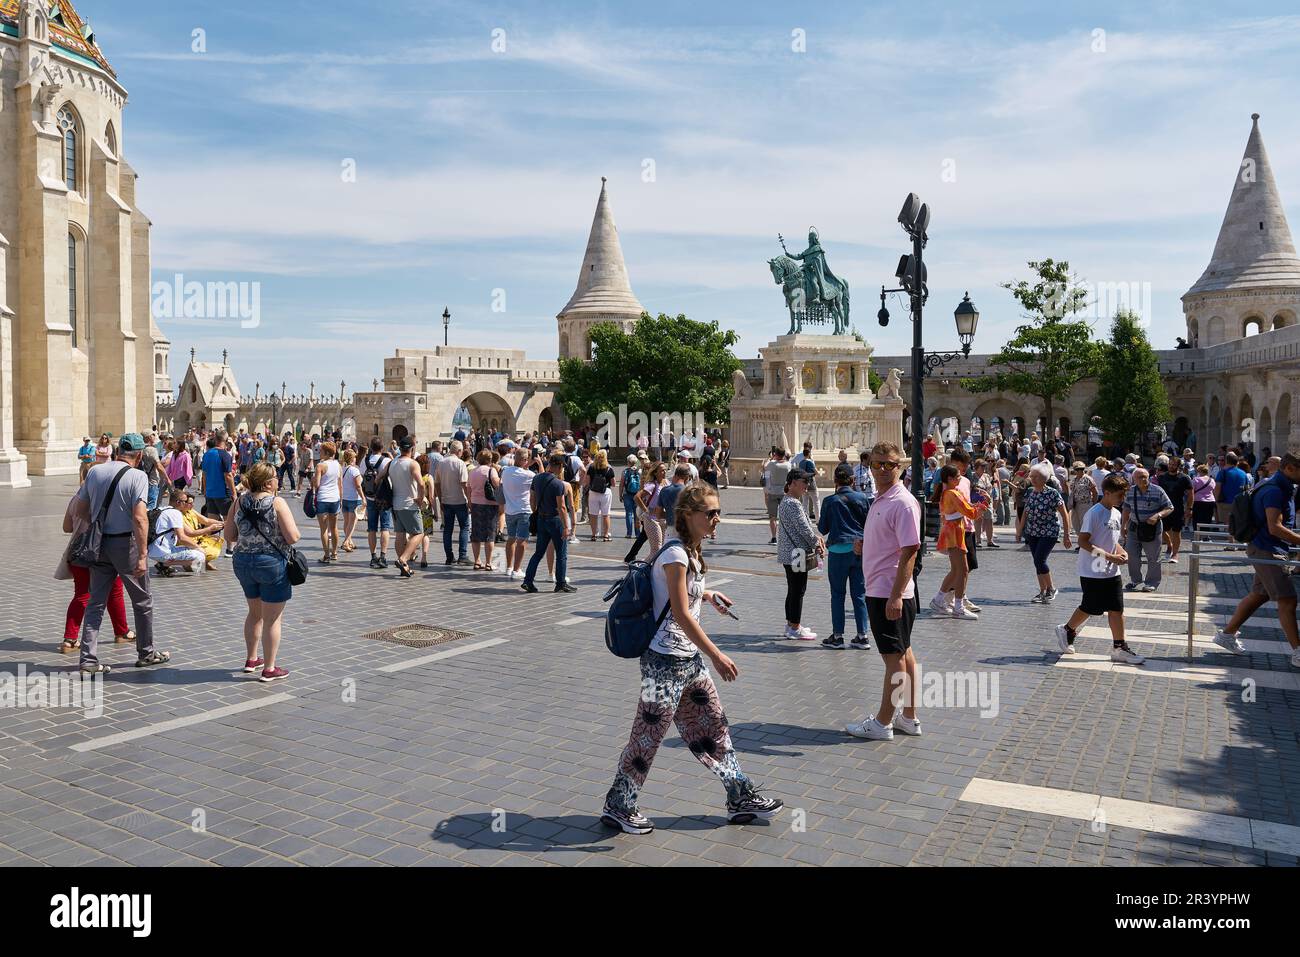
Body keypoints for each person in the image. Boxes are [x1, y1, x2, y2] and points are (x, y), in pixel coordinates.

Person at [600, 484, 783, 834]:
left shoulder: (687, 551)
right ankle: (619, 805)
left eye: (718, 512)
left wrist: (709, 593)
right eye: (710, 513)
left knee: (715, 727)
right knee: (647, 736)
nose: (717, 519)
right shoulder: (676, 554)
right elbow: (681, 615)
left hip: (686, 660)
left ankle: (739, 795)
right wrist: (717, 654)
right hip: (663, 661)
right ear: (688, 515)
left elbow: (680, 597)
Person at [69, 434, 172, 675]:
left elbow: (80, 510)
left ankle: (88, 661)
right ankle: (146, 653)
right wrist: (144, 554)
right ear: (138, 456)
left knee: (95, 603)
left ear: (117, 451)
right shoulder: (138, 476)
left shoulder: (94, 472)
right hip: (125, 544)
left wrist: (98, 525)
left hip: (99, 544)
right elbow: (139, 517)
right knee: (142, 600)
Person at [845, 442, 924, 741]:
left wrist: (894, 595)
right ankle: (909, 718)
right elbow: (893, 544)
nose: (881, 470)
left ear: (899, 466)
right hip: (885, 588)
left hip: (888, 592)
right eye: (876, 464)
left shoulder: (902, 502)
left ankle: (882, 723)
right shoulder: (882, 499)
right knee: (905, 654)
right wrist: (866, 547)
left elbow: (910, 552)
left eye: (888, 465)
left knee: (893, 659)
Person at [1213, 453, 1300, 662]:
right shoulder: (1275, 490)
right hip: (1268, 549)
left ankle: (1226, 635)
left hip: (1263, 547)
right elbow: (1275, 527)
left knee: (1259, 595)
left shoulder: (1274, 485)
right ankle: (1298, 652)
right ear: (1289, 468)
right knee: (1288, 600)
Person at [1054, 473, 1145, 664]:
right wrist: (1110, 556)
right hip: (1092, 570)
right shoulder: (1094, 513)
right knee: (1090, 607)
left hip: (1112, 571)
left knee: (1117, 609)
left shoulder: (1117, 513)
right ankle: (1068, 629)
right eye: (1119, 495)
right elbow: (1084, 542)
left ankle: (1119, 647)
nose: (1122, 499)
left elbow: (1113, 541)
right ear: (1107, 493)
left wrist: (1122, 552)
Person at [225, 462, 300, 682]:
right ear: (268, 483)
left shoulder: (239, 501)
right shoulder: (276, 502)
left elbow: (230, 535)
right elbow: (293, 537)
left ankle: (251, 659)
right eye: (276, 477)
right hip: (270, 563)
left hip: (242, 562)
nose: (279, 480)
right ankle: (269, 668)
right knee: (272, 619)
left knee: (254, 613)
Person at [60, 487, 134, 655]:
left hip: (79, 552)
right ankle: (122, 632)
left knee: (81, 595)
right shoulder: (111, 499)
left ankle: (69, 640)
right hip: (103, 552)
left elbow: (66, 527)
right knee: (115, 591)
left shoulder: (75, 499)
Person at [818, 464, 871, 649]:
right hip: (859, 550)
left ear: (835, 481)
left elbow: (822, 528)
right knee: (860, 594)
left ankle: (838, 636)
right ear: (853, 480)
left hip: (838, 552)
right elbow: (869, 524)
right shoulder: (863, 498)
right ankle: (862, 635)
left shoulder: (829, 501)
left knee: (837, 594)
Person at [931, 465, 986, 619]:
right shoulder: (952, 493)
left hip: (953, 530)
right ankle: (958, 606)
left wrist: (976, 507)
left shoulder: (948, 492)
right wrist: (982, 506)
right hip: (954, 532)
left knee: (957, 570)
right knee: (962, 570)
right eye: (957, 477)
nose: (960, 479)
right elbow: (970, 512)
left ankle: (939, 599)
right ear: (949, 479)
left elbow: (966, 508)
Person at [521, 452, 577, 594]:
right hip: (555, 520)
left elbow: (532, 500)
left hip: (541, 519)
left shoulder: (537, 479)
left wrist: (536, 511)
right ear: (557, 466)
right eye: (562, 467)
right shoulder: (558, 484)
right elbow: (562, 507)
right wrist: (566, 527)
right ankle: (561, 583)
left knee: (539, 552)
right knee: (561, 553)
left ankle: (528, 581)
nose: (563, 469)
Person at [1016, 463, 1072, 603]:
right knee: (1037, 562)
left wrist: (1067, 535)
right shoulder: (1030, 491)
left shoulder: (1052, 493)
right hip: (1032, 532)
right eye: (1032, 476)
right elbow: (1025, 513)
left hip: (1049, 532)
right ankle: (1042, 591)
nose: (1033, 479)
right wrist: (1019, 531)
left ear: (1044, 478)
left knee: (1040, 560)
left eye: (1037, 477)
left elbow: (1064, 514)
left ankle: (1051, 588)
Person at [777, 471, 824, 640]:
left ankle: (791, 624)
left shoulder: (787, 501)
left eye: (809, 481)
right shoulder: (793, 504)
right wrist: (816, 544)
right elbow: (803, 529)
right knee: (798, 590)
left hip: (790, 552)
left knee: (793, 589)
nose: (807, 484)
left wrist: (815, 539)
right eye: (804, 481)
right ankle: (794, 628)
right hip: (796, 553)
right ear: (792, 483)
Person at [1121, 468, 1173, 592]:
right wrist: (1123, 526)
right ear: (1134, 479)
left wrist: (1158, 515)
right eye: (1140, 477)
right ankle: (1135, 580)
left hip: (1152, 528)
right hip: (1134, 527)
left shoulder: (1157, 490)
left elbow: (1169, 507)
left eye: (1145, 476)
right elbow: (1126, 509)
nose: (1143, 479)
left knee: (1153, 556)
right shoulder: (1130, 491)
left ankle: (1152, 582)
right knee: (1132, 554)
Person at [386, 437, 427, 578]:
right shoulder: (412, 464)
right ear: (412, 448)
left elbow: (380, 477)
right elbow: (421, 484)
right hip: (409, 504)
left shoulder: (392, 463)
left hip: (395, 503)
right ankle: (403, 559)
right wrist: (420, 498)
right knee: (419, 533)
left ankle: (404, 566)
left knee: (400, 535)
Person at [148, 488, 207, 576]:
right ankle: (164, 564)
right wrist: (198, 547)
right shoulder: (175, 513)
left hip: (151, 550)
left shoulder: (161, 509)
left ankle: (164, 563)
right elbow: (182, 537)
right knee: (200, 555)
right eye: (185, 501)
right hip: (162, 553)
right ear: (178, 502)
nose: (186, 503)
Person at [501, 449, 536, 580]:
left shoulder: (505, 471)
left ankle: (509, 568)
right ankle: (517, 569)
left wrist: (526, 464)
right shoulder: (529, 475)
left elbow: (518, 471)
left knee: (511, 539)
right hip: (523, 510)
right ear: (524, 460)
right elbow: (543, 478)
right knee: (522, 540)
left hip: (509, 510)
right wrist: (538, 462)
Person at [436, 440, 472, 567]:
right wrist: (469, 500)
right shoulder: (460, 463)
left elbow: (437, 483)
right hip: (460, 500)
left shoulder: (441, 463)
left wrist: (440, 500)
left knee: (448, 529)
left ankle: (449, 556)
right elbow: (464, 484)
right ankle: (463, 555)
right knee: (464, 527)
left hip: (446, 500)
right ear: (459, 451)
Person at [360, 439, 393, 569]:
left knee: (372, 529)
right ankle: (383, 556)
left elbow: (363, 475)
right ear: (382, 447)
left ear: (371, 448)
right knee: (385, 527)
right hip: (383, 497)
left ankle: (373, 557)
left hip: (370, 497)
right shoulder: (386, 461)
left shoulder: (365, 460)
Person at [1154, 457, 1192, 563]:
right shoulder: (1161, 477)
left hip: (1178, 507)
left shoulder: (1184, 478)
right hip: (1163, 508)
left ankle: (1175, 554)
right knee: (1162, 530)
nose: (1171, 466)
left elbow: (1190, 494)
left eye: (1174, 464)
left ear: (1178, 466)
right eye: (1170, 464)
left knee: (1176, 531)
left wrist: (1189, 508)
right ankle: (1169, 545)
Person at [467, 449, 501, 570]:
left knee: (475, 534)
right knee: (489, 534)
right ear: (490, 460)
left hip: (476, 503)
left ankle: (477, 561)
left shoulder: (472, 471)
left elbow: (468, 488)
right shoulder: (492, 471)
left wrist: (470, 502)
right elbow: (497, 485)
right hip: (490, 504)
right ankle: (488, 562)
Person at [627, 461, 667, 561]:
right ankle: (641, 570)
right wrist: (647, 510)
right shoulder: (652, 485)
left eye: (665, 470)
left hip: (662, 518)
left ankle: (655, 571)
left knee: (661, 548)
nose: (664, 472)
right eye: (662, 470)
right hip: (651, 519)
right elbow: (637, 497)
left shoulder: (667, 483)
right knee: (656, 549)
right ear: (655, 473)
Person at [312, 441, 342, 564]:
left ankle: (326, 555)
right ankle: (334, 553)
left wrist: (313, 479)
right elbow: (340, 484)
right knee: (334, 528)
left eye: (321, 451)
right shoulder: (338, 465)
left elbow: (317, 484)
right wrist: (341, 499)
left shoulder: (320, 466)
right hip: (335, 498)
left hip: (323, 498)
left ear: (325, 452)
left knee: (324, 529)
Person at [178, 491, 224, 570]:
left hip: (197, 540)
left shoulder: (191, 511)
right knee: (205, 550)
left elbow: (206, 521)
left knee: (216, 540)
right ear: (183, 503)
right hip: (186, 543)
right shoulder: (178, 515)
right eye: (190, 503)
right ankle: (187, 562)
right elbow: (190, 533)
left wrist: (223, 523)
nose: (193, 505)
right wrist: (209, 529)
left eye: (193, 503)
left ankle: (205, 562)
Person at [763, 448, 792, 545]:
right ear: (784, 454)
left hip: (773, 492)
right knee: (785, 517)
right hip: (784, 492)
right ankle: (785, 538)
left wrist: (771, 458)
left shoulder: (772, 464)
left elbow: (764, 467)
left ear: (776, 454)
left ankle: (774, 538)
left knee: (773, 517)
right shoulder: (788, 464)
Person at [585, 449, 616, 542]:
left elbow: (587, 482)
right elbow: (613, 483)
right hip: (605, 492)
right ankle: (606, 535)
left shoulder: (591, 467)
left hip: (593, 492)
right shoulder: (609, 468)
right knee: (606, 515)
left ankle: (594, 535)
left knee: (593, 515)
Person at [338, 448, 365, 555]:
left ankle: (350, 541)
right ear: (353, 458)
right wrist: (363, 498)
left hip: (345, 498)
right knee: (352, 523)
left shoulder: (342, 469)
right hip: (354, 498)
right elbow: (358, 486)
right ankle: (346, 541)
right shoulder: (355, 470)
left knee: (346, 522)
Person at [1067, 462, 1097, 550]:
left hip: (1085, 504)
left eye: (1081, 469)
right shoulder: (1075, 479)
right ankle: (1082, 543)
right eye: (1077, 469)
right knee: (1076, 524)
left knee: (1085, 525)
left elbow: (1095, 492)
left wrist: (1094, 504)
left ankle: (1085, 544)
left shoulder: (1088, 479)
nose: (1079, 471)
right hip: (1075, 504)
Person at [618, 454, 641, 540]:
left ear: (628, 462)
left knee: (629, 513)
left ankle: (629, 533)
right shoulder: (640, 471)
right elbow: (643, 484)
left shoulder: (625, 472)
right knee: (636, 515)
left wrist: (620, 495)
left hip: (627, 494)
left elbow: (621, 484)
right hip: (637, 495)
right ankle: (638, 533)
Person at [1190, 464, 1216, 530]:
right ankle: (1206, 536)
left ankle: (1197, 536)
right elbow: (1213, 490)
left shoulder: (1196, 480)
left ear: (1199, 471)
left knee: (1197, 519)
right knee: (1207, 519)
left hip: (1198, 501)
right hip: (1210, 501)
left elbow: (1192, 491)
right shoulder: (1212, 480)